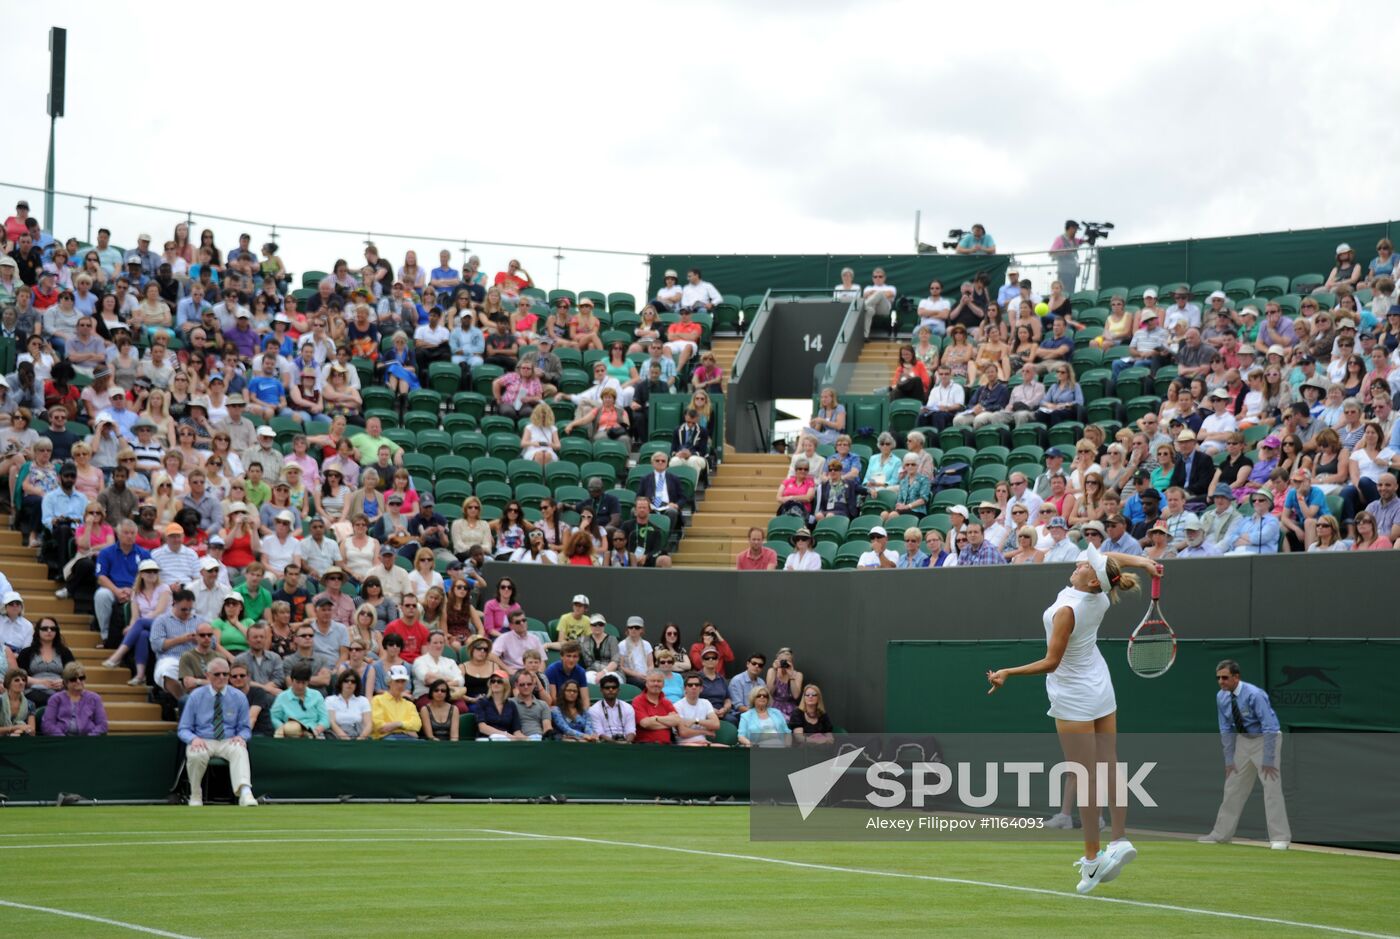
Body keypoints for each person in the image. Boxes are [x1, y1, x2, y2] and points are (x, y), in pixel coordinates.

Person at [986, 545, 1162, 894]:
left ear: (1093, 581)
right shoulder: (1097, 594)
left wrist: (1008, 671)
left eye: (1086, 565)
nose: (1080, 563)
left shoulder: (1069, 609)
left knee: (1084, 776)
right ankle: (1121, 839)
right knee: (1109, 765)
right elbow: (1110, 560)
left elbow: (1051, 662)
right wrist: (1142, 561)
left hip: (1073, 695)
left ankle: (1093, 859)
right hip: (1100, 686)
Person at [1199, 660, 1290, 850]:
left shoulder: (1255, 695)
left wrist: (1268, 759)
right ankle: (1221, 834)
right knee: (1232, 788)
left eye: (1225, 678)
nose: (1221, 682)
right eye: (1218, 678)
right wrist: (1229, 759)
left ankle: (1280, 838)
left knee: (1271, 788)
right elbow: (1225, 728)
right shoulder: (1221, 697)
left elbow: (1270, 726)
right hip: (1242, 742)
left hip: (1266, 740)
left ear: (1236, 677)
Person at [177, 658, 257, 806]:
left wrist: (241, 737)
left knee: (240, 750)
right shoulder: (196, 696)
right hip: (203, 739)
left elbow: (245, 728)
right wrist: (193, 739)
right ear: (208, 675)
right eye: (217, 674)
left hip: (228, 739)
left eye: (225, 674)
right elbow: (184, 728)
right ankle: (195, 794)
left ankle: (246, 792)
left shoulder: (239, 697)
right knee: (196, 753)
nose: (222, 678)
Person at [40, 662, 108, 736]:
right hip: (61, 741)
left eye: (81, 678)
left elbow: (102, 725)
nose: (78, 681)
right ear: (66, 682)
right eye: (73, 679)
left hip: (89, 741)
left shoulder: (95, 698)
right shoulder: (55, 699)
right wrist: (62, 738)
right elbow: (48, 725)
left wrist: (90, 737)